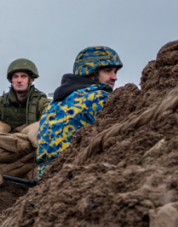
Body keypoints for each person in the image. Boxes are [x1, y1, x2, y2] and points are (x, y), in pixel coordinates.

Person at [36, 46, 122, 178]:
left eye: (115, 72)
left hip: (46, 178)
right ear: (90, 72)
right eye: (108, 71)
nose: (114, 77)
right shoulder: (98, 97)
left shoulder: (53, 104)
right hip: (77, 175)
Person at [0, 59, 51, 130]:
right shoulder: (3, 101)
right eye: (15, 77)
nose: (19, 80)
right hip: (5, 141)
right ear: (11, 80)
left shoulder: (40, 101)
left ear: (31, 80)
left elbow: (52, 112)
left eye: (23, 77)